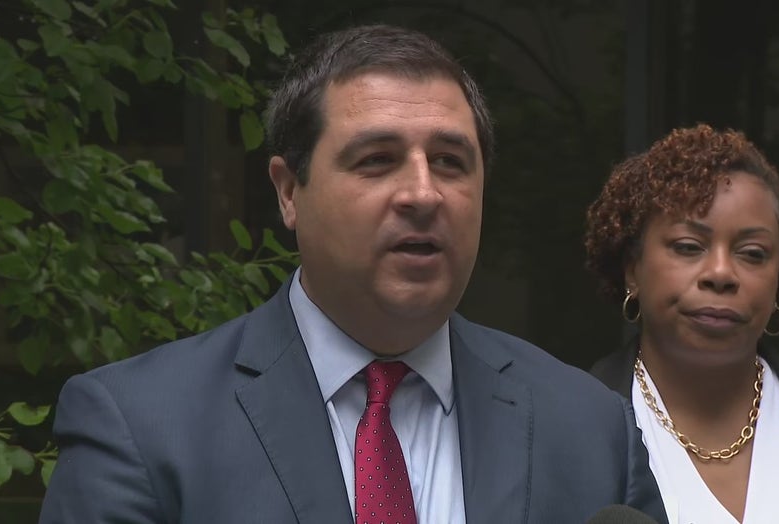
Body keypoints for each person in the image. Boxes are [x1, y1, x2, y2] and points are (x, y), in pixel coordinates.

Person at [39, 24, 666, 523]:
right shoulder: (141, 426)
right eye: (377, 160)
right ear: (289, 191)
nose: (423, 193)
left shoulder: (589, 428)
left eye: (450, 162)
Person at [586, 124, 779, 523]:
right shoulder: (566, 428)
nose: (721, 273)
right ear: (632, 268)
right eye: (688, 247)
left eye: (752, 253)